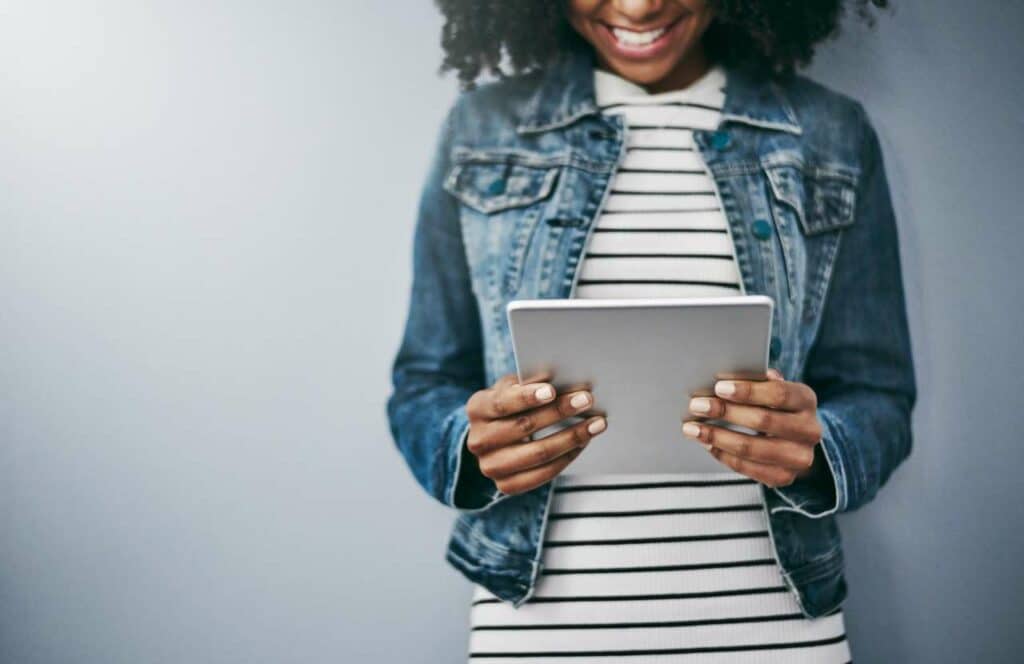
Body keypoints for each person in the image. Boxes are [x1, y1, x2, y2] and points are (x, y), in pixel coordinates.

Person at [387, 1, 916, 660]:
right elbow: (422, 385)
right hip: (540, 633)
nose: (638, 6)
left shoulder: (830, 133)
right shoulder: (483, 129)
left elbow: (878, 393)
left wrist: (819, 453)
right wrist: (470, 448)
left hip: (773, 630)